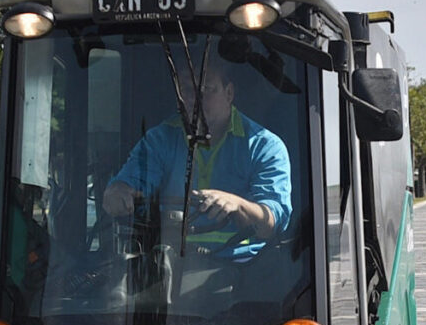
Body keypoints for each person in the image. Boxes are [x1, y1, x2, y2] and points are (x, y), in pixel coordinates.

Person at [104, 59, 293, 261]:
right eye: (186, 90)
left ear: (229, 93)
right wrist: (117, 193)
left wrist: (237, 204)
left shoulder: (264, 146)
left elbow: (272, 222)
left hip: (242, 271)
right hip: (165, 265)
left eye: (206, 89)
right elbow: (127, 186)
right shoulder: (159, 140)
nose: (195, 99)